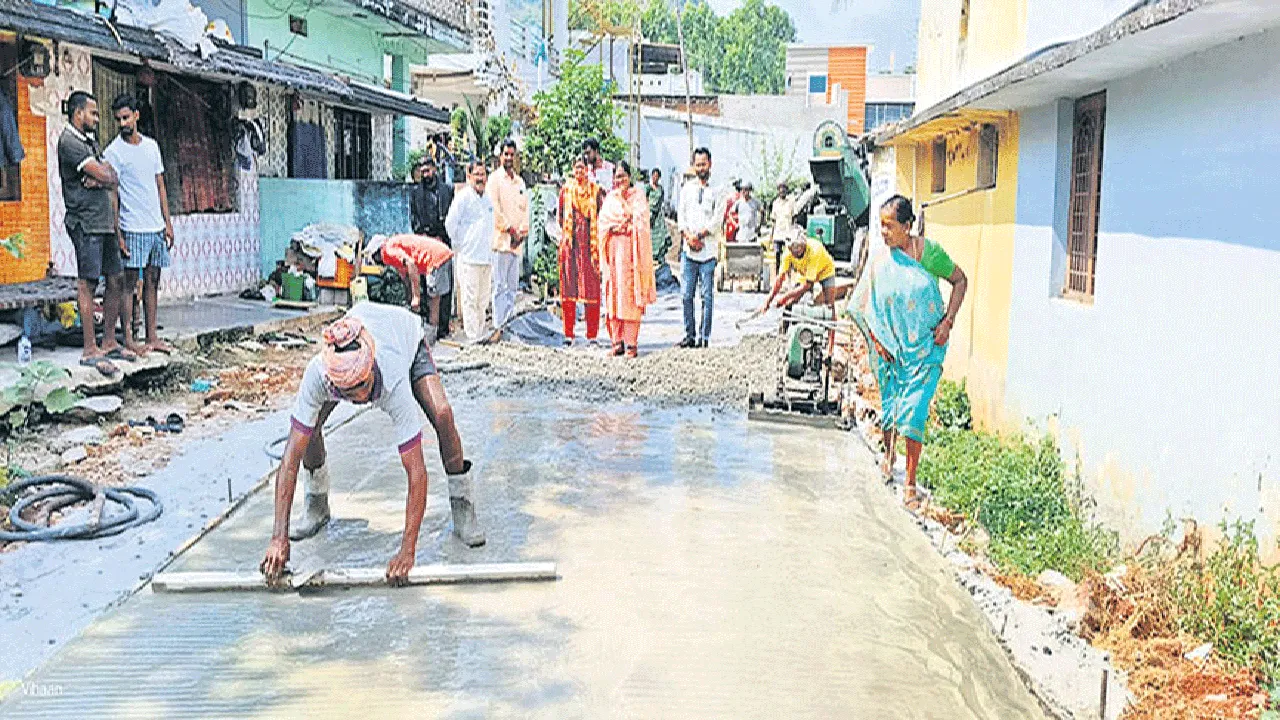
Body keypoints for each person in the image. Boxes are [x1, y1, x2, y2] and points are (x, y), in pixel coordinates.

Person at [259, 302, 486, 586]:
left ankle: (463, 503)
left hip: (406, 340)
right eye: (351, 393)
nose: (362, 399)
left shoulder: (391, 377)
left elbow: (416, 471)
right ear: (335, 385)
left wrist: (407, 550)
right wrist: (278, 538)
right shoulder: (319, 374)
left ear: (371, 368)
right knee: (310, 427)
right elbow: (290, 459)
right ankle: (317, 505)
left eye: (365, 388)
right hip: (360, 335)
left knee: (442, 414)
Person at [850, 195, 968, 508]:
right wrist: (877, 343)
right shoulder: (879, 261)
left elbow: (960, 281)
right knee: (891, 405)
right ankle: (888, 455)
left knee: (914, 411)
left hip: (925, 349)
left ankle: (911, 482)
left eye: (889, 226)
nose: (884, 232)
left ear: (907, 226)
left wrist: (949, 321)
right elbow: (862, 306)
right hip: (889, 349)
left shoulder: (928, 254)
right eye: (881, 226)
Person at [58, 91, 129, 376]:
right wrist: (102, 176)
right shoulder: (70, 142)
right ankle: (90, 348)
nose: (97, 119)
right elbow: (108, 176)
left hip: (104, 223)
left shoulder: (89, 142)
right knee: (88, 283)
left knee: (116, 279)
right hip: (85, 222)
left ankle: (109, 340)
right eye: (93, 113)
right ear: (78, 114)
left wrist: (102, 177)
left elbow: (111, 175)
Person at [105, 93, 173, 356]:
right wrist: (118, 232)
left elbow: (160, 185)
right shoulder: (113, 152)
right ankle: (130, 340)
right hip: (131, 226)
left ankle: (153, 337)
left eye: (126, 117)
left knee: (153, 281)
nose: (122, 123)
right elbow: (113, 196)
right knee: (128, 285)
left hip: (155, 226)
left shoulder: (152, 147)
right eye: (118, 119)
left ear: (136, 115)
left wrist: (167, 223)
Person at [598, 161, 657, 358]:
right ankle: (616, 342)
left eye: (623, 176)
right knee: (613, 296)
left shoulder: (638, 197)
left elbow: (642, 222)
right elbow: (603, 224)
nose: (619, 180)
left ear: (629, 177)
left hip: (632, 255)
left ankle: (631, 344)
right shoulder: (610, 199)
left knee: (630, 297)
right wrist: (617, 226)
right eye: (617, 177)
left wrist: (629, 223)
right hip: (614, 254)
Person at [364, 233, 454, 341]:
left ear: (376, 252)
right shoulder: (397, 247)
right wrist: (409, 298)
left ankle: (431, 336)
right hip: (443, 253)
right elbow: (406, 277)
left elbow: (411, 264)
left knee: (434, 298)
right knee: (442, 297)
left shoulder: (387, 250)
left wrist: (416, 297)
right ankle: (441, 333)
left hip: (434, 259)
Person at [444, 160, 496, 343]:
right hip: (468, 257)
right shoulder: (463, 197)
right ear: (469, 176)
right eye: (477, 175)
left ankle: (480, 334)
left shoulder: (488, 199)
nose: (480, 179)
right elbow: (450, 224)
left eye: (483, 175)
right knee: (470, 299)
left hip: (486, 258)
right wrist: (460, 245)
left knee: (483, 301)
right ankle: (473, 337)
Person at [558, 154, 606, 346]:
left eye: (582, 167)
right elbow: (561, 218)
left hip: (589, 246)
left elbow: (601, 216)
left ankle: (592, 335)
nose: (579, 171)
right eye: (576, 167)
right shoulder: (566, 190)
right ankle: (569, 334)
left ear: (588, 170)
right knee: (568, 288)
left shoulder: (596, 192)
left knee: (591, 289)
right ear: (572, 169)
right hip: (571, 244)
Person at [676, 147, 720, 349]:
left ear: (710, 164)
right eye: (697, 164)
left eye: (704, 164)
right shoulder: (687, 189)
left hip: (708, 252)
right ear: (693, 166)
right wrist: (688, 237)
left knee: (707, 298)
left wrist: (700, 235)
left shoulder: (718, 190)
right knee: (686, 295)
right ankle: (689, 335)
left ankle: (704, 338)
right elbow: (681, 216)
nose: (701, 168)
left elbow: (717, 220)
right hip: (689, 251)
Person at [485, 139, 529, 332]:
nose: (509, 157)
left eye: (512, 154)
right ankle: (498, 327)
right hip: (501, 241)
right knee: (499, 286)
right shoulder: (494, 180)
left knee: (512, 287)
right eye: (506, 154)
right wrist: (510, 229)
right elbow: (494, 209)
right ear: (500, 156)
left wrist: (521, 233)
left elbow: (526, 209)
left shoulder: (520, 182)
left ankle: (509, 325)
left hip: (516, 243)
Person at [409, 156, 455, 341]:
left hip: (443, 242)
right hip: (424, 244)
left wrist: (440, 236)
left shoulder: (447, 191)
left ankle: (443, 327)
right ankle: (427, 326)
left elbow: (452, 217)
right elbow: (414, 219)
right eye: (422, 171)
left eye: (428, 170)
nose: (425, 174)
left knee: (444, 286)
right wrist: (425, 237)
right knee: (426, 285)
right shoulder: (415, 193)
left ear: (435, 169)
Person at [761, 229, 838, 316]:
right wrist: (768, 301)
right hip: (805, 273)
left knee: (829, 307)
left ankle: (831, 327)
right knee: (790, 304)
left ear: (803, 245)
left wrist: (784, 297)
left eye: (797, 248)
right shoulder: (788, 253)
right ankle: (786, 327)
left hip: (825, 271)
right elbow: (780, 279)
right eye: (792, 248)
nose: (794, 251)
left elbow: (807, 285)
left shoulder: (814, 251)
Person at [647, 168, 671, 272]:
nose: (655, 178)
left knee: (661, 235)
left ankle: (659, 257)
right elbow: (644, 199)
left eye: (657, 176)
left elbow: (661, 201)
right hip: (649, 213)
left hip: (658, 216)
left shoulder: (660, 189)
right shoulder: (648, 188)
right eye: (654, 176)